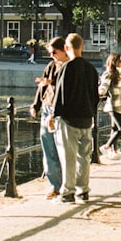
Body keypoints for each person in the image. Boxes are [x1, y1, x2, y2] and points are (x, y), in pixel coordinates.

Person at [48, 33, 99, 204]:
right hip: (86, 118)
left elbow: (60, 94)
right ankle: (82, 190)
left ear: (67, 48)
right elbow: (95, 95)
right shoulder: (91, 69)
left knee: (68, 157)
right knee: (84, 157)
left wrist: (53, 115)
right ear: (82, 47)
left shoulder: (66, 68)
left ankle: (67, 192)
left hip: (69, 119)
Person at [29, 37, 67, 199]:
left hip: (62, 111)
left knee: (63, 149)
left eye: (54, 52)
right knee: (48, 147)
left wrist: (51, 82)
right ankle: (54, 185)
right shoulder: (51, 66)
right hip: (47, 107)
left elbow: (66, 85)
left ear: (64, 50)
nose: (52, 56)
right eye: (50, 53)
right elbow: (42, 87)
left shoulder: (69, 66)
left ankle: (66, 184)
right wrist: (35, 105)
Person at [98, 52, 121, 159]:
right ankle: (106, 147)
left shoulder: (119, 74)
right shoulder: (109, 74)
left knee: (115, 129)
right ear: (113, 62)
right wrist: (101, 91)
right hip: (114, 106)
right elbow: (104, 85)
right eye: (119, 61)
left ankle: (114, 151)